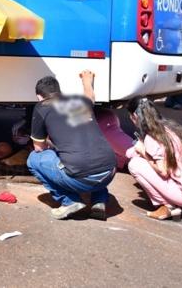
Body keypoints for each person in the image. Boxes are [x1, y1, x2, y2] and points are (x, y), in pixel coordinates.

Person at [27, 71, 117, 220]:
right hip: (110, 171)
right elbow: (90, 95)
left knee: (33, 160)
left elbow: (39, 148)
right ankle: (99, 202)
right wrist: (87, 80)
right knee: (91, 152)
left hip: (82, 178)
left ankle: (69, 201)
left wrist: (53, 145)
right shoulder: (79, 101)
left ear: (39, 97)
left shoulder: (41, 107)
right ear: (59, 91)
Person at [126, 97, 182, 221]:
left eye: (131, 116)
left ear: (136, 116)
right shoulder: (170, 127)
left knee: (135, 165)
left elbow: (163, 171)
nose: (131, 120)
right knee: (138, 159)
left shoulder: (152, 138)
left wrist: (143, 152)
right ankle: (176, 202)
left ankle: (169, 207)